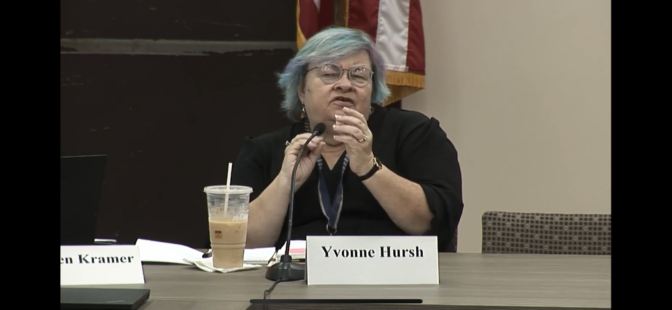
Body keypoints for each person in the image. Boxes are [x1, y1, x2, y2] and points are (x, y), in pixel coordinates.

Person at [231, 27, 463, 252]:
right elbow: (241, 245)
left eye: (359, 75)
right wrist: (285, 182)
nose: (345, 84)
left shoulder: (416, 134)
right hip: (293, 282)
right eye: (329, 73)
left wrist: (369, 167)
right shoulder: (264, 150)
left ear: (373, 88)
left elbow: (433, 223)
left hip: (393, 279)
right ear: (301, 89)